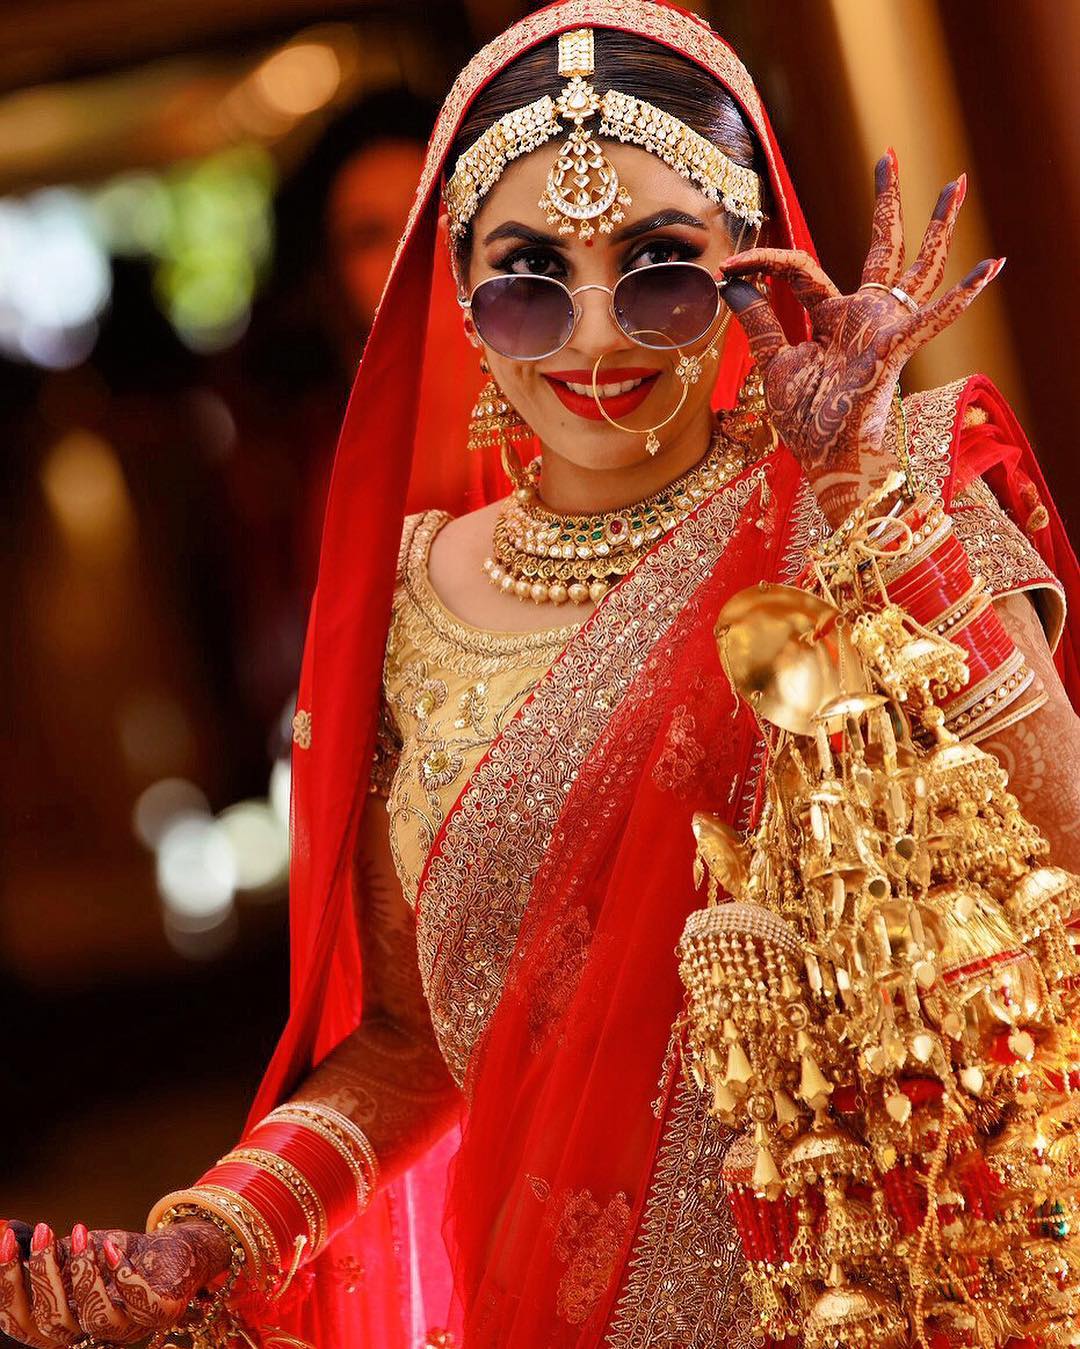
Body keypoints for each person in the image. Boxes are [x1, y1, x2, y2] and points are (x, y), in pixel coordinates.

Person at [4, 2, 1080, 1346]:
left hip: (902, 1299)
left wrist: (863, 495)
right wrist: (211, 1233)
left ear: (754, 266)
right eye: (529, 278)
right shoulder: (410, 609)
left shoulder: (888, 492)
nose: (592, 336)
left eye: (663, 271)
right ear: (462, 298)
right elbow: (412, 1041)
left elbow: (1067, 841)